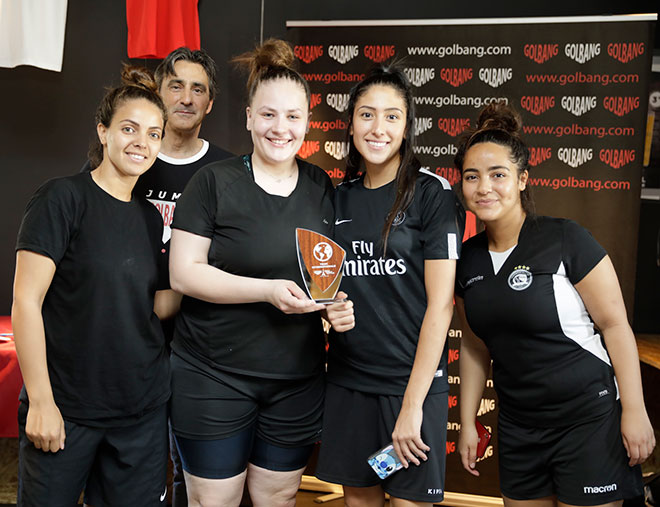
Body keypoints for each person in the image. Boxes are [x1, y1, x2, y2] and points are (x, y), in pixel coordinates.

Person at [454, 102, 655, 507]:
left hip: (587, 420)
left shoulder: (566, 239)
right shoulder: (467, 260)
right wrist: (468, 421)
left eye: (498, 174)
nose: (484, 187)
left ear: (523, 179)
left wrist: (635, 410)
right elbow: (475, 346)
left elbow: (615, 326)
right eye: (472, 176)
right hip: (519, 427)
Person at [168, 38, 334, 507]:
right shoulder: (213, 182)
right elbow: (183, 273)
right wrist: (266, 291)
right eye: (268, 114)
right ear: (247, 117)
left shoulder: (322, 186)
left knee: (277, 497)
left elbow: (326, 274)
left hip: (296, 380)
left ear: (307, 121)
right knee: (214, 500)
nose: (280, 128)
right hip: (213, 375)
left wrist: (335, 307)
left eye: (293, 116)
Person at [12, 65, 177, 506]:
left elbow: (154, 307)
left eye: (154, 134)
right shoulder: (61, 198)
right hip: (67, 408)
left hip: (139, 413)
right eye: (129, 128)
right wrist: (41, 402)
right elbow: (26, 301)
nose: (141, 142)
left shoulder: (149, 217)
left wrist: (210, 267)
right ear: (103, 132)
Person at [316, 63, 465, 507]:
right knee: (359, 499)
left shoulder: (432, 194)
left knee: (406, 501)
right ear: (350, 124)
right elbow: (325, 288)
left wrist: (413, 405)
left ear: (406, 127)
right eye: (367, 115)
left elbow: (441, 305)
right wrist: (328, 309)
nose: (378, 128)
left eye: (392, 116)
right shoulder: (338, 197)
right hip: (350, 384)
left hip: (409, 389)